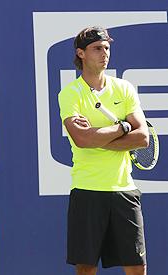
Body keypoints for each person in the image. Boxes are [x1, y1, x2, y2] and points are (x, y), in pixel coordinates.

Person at [58, 26, 149, 275]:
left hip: (124, 190)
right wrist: (123, 127)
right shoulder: (69, 94)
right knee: (86, 268)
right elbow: (81, 139)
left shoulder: (124, 88)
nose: (104, 53)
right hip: (87, 190)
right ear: (81, 53)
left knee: (137, 267)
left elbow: (142, 137)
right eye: (97, 48)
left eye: (107, 48)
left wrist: (98, 137)